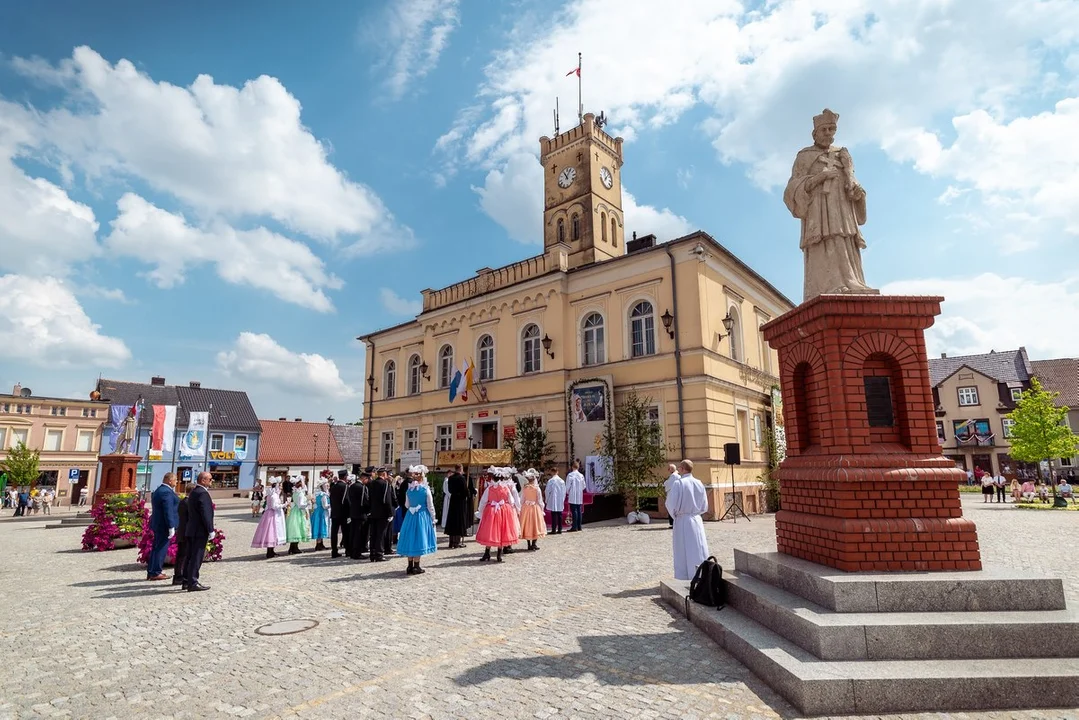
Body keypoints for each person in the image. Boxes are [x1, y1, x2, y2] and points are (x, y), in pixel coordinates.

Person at [784, 108, 872, 301]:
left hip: (842, 211)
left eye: (832, 129)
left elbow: (853, 182)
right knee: (824, 243)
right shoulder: (804, 156)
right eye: (824, 130)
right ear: (814, 133)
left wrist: (857, 193)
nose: (829, 134)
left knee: (843, 239)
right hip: (818, 212)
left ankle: (852, 280)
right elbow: (791, 188)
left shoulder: (842, 155)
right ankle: (826, 283)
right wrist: (817, 179)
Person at [665, 459, 710, 581]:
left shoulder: (679, 484)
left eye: (680, 467)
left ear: (683, 469)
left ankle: (684, 575)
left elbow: (671, 503)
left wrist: (676, 516)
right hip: (696, 519)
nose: (678, 470)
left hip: (682, 519)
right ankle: (700, 573)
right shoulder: (699, 483)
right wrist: (696, 513)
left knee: (683, 549)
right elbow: (704, 505)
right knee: (698, 546)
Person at [397, 465, 437, 574]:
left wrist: (413, 508)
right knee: (419, 539)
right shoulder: (425, 490)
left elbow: (406, 504)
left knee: (410, 538)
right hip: (422, 515)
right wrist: (433, 518)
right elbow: (430, 506)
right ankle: (416, 566)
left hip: (410, 516)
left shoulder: (409, 490)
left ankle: (409, 566)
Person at [476, 466, 519, 562]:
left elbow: (483, 501)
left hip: (491, 511)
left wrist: (481, 511)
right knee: (501, 531)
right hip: (504, 511)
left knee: (490, 531)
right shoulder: (506, 488)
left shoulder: (490, 488)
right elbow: (511, 501)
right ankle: (499, 555)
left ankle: (487, 553)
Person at [184, 472, 215, 592]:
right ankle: (193, 581)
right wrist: (210, 529)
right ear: (203, 480)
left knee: (190, 556)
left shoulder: (194, 492)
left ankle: (186, 581)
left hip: (192, 529)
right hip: (199, 530)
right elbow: (205, 513)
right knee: (196, 556)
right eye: (210, 479)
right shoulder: (202, 493)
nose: (211, 482)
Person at [147, 473, 180, 581]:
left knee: (156, 548)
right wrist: (171, 526)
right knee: (161, 548)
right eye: (175, 480)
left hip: (158, 523)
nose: (177, 482)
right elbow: (168, 510)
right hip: (164, 525)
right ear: (169, 481)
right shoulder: (166, 492)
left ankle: (152, 571)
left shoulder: (159, 490)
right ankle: (156, 572)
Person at [251, 477, 287, 558]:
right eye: (280, 486)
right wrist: (284, 505)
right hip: (273, 515)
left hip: (270, 514)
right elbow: (274, 506)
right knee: (272, 532)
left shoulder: (272, 495)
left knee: (271, 532)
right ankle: (269, 552)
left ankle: (271, 551)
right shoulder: (274, 495)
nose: (281, 487)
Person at [367, 468, 396, 562]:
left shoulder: (372, 483)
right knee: (381, 534)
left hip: (373, 512)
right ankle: (379, 554)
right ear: (384, 474)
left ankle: (372, 553)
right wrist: (390, 513)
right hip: (383, 513)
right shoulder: (385, 484)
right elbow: (386, 500)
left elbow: (369, 498)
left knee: (373, 534)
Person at [518, 468, 546, 551]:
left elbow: (522, 499)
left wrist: (521, 508)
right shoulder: (537, 489)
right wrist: (542, 509)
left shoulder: (525, 488)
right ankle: (534, 543)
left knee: (527, 525)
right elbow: (540, 500)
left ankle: (529, 544)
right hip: (534, 508)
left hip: (526, 508)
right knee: (535, 525)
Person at [345, 471, 370, 560]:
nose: (367, 481)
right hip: (361, 513)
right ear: (364, 478)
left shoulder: (352, 486)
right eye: (367, 479)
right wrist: (368, 511)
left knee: (353, 533)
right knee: (359, 534)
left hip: (353, 513)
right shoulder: (362, 487)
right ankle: (357, 552)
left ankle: (352, 551)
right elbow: (365, 501)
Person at [443, 464, 469, 549]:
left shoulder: (451, 478)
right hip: (460, 501)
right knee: (459, 521)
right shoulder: (461, 478)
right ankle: (456, 542)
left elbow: (450, 490)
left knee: (452, 521)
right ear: (460, 469)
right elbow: (465, 490)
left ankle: (451, 542)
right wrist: (468, 495)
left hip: (453, 500)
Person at [172, 477, 191, 586]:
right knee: (184, 555)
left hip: (181, 531)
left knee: (181, 555)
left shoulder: (182, 501)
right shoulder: (188, 503)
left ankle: (178, 576)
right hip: (186, 532)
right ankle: (181, 577)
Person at [285, 478, 311, 554]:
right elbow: (300, 505)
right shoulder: (300, 493)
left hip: (294, 511)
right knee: (298, 529)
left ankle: (292, 548)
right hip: (299, 512)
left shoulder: (296, 492)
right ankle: (294, 548)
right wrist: (308, 503)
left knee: (295, 529)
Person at [329, 469, 349, 558]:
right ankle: (348, 550)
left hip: (334, 512)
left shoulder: (333, 486)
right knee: (346, 532)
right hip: (343, 512)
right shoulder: (345, 486)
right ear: (345, 477)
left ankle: (334, 551)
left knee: (334, 533)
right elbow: (346, 500)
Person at [544, 468, 566, 534]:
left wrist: (547, 499)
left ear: (552, 472)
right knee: (559, 514)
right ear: (557, 472)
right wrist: (563, 499)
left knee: (554, 514)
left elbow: (547, 491)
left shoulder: (551, 481)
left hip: (552, 499)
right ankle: (560, 529)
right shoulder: (562, 481)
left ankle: (554, 529)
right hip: (560, 499)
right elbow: (564, 491)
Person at [310, 480, 330, 551]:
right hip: (321, 513)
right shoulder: (323, 495)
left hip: (316, 512)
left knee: (318, 527)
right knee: (321, 527)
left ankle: (320, 544)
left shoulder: (317, 494)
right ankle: (319, 545)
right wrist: (331, 505)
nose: (328, 487)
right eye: (326, 486)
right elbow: (325, 506)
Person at [566, 461, 585, 532]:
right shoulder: (581, 475)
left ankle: (574, 527)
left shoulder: (570, 475)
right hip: (579, 494)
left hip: (573, 494)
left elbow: (567, 486)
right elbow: (583, 486)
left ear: (572, 467)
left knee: (574, 510)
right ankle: (579, 526)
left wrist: (567, 492)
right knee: (579, 510)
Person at [664, 463, 679, 528]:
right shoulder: (677, 475)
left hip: (672, 495)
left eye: (669, 468)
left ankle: (674, 523)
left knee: (671, 508)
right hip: (675, 495)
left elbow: (668, 484)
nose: (668, 470)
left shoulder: (674, 476)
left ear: (671, 469)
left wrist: (665, 482)